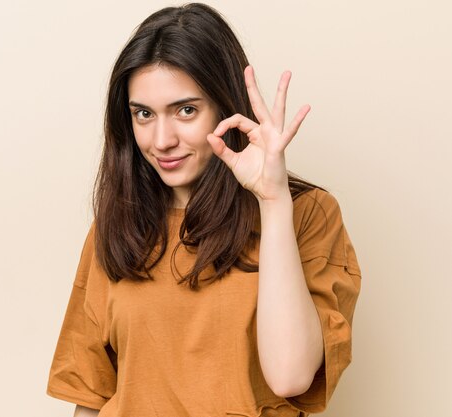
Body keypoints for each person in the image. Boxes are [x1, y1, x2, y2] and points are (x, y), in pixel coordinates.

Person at [46, 3, 361, 417]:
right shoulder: (116, 226)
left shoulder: (306, 214)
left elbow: (290, 376)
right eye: (143, 114)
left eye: (186, 110)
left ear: (225, 107)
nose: (162, 140)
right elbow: (90, 394)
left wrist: (272, 201)